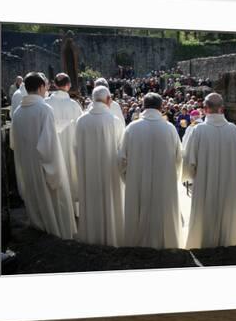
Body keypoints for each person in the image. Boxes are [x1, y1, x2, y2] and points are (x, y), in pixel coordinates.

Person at [10, 72, 76, 239]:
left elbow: (14, 143)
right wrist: (55, 174)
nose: (47, 89)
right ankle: (56, 234)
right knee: (52, 205)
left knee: (36, 202)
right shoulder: (44, 110)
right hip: (43, 167)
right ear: (40, 87)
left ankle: (38, 230)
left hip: (27, 165)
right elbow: (48, 147)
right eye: (46, 85)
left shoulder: (17, 113)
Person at [119, 92, 182, 249]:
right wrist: (173, 176)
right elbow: (179, 158)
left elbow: (121, 159)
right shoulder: (170, 129)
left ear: (143, 106)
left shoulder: (131, 128)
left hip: (138, 181)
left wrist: (129, 178)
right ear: (161, 107)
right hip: (164, 182)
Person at [182, 93, 236, 249]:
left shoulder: (198, 131)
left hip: (204, 184)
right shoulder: (234, 130)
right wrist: (232, 175)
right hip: (229, 184)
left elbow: (188, 161)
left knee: (204, 218)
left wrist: (192, 177)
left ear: (205, 109)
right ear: (222, 108)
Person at [75, 86, 125, 246]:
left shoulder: (81, 121)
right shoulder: (114, 121)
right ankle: (113, 237)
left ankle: (91, 236)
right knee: (110, 204)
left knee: (91, 202)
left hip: (88, 171)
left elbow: (75, 148)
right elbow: (121, 150)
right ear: (108, 100)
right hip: (110, 173)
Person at [45, 73, 83, 214]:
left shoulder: (46, 104)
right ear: (68, 85)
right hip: (71, 148)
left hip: (53, 149)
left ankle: (58, 211)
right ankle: (74, 211)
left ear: (55, 85)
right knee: (72, 175)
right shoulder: (74, 105)